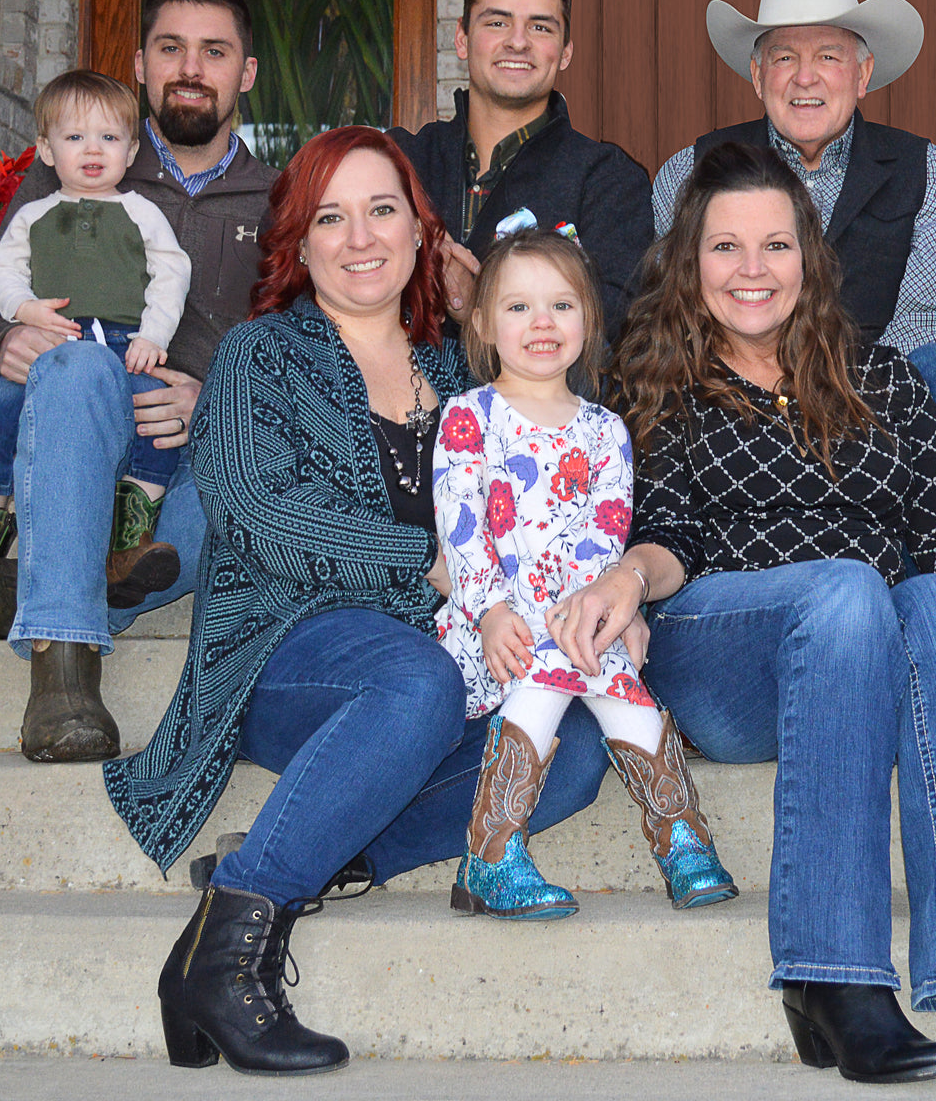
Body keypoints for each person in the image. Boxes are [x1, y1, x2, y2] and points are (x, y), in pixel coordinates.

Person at [550, 142, 936, 1087]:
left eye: (775, 245)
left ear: (809, 258)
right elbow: (669, 534)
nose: (753, 270)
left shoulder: (885, 381)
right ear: (689, 261)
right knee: (849, 588)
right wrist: (627, 580)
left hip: (863, 654)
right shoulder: (654, 380)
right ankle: (832, 975)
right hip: (725, 650)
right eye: (726, 247)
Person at [104, 127, 611, 1077]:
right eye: (330, 218)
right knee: (415, 683)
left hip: (442, 656)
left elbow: (546, 502)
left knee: (573, 748)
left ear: (423, 233)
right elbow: (258, 515)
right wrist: (433, 564)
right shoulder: (259, 356)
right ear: (298, 242)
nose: (361, 237)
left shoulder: (465, 371)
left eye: (383, 210)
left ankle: (330, 846)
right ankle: (233, 948)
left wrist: (590, 597)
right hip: (285, 653)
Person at [0, 0, 276, 763]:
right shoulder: (76, 166)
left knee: (240, 507)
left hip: (191, 448)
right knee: (81, 367)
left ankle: (29, 587)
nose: (190, 68)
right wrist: (4, 343)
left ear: (246, 73)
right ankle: (63, 683)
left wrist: (213, 397)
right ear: (139, 64)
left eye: (214, 51)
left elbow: (297, 348)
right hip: (74, 425)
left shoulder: (281, 200)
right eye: (171, 48)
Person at [436, 227, 736, 921]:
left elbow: (607, 536)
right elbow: (461, 529)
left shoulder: (605, 430)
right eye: (518, 307)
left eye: (561, 305)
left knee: (624, 689)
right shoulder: (469, 418)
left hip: (579, 615)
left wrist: (607, 611)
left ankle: (680, 834)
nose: (541, 322)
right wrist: (491, 612)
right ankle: (492, 850)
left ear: (588, 320)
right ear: (481, 324)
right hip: (497, 622)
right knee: (545, 667)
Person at [650, 0, 936, 535]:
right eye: (785, 58)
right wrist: (774, 385)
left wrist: (829, 391)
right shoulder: (691, 172)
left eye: (828, 57)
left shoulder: (926, 170)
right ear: (757, 75)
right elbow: (676, 313)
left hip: (883, 410)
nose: (805, 78)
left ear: (862, 73)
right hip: (738, 412)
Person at [0, 70, 190, 630]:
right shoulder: (33, 215)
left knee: (156, 417)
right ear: (46, 150)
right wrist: (24, 311)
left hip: (124, 346)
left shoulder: (140, 211)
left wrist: (155, 336)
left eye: (109, 138)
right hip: (50, 349)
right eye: (75, 137)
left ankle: (129, 543)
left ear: (131, 151)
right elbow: (1, 273)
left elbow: (171, 273)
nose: (93, 150)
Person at [388, 0, 652, 341]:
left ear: (565, 52)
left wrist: (479, 304)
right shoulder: (398, 160)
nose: (517, 42)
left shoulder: (608, 179)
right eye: (497, 22)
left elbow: (615, 325)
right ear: (462, 38)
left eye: (540, 28)